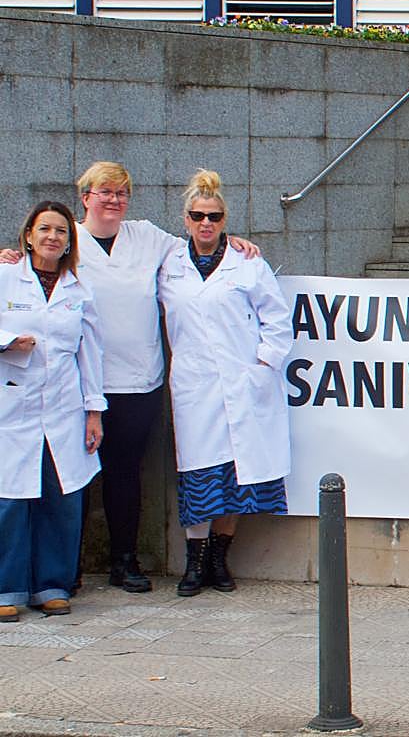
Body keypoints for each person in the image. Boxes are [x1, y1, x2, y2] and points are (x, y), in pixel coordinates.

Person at [2, 162, 259, 592]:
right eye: (104, 192)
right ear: (85, 197)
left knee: (126, 473)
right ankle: (70, 570)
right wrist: (13, 258)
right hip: (78, 385)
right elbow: (31, 272)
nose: (113, 200)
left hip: (138, 381)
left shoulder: (148, 237)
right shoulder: (68, 240)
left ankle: (124, 561)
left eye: (121, 193)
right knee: (73, 480)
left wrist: (233, 243)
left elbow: (198, 243)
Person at [158, 169, 292, 597]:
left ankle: (220, 558)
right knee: (200, 473)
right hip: (195, 388)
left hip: (241, 382)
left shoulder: (247, 262)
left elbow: (277, 318)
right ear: (186, 220)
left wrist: (262, 365)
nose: (206, 224)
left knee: (237, 476)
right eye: (198, 216)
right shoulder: (168, 265)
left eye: (214, 217)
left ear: (224, 219)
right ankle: (194, 563)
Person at [0, 201, 106, 620]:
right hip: (13, 406)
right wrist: (9, 341)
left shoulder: (78, 290)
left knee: (62, 497)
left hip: (64, 406)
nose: (52, 237)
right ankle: (8, 588)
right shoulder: (6, 277)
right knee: (10, 500)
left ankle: (53, 585)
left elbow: (91, 353)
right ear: (28, 235)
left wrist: (94, 411)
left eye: (61, 231)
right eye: (44, 229)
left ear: (69, 242)